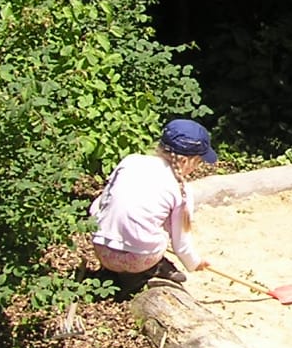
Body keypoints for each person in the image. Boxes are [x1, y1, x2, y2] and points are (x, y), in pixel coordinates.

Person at [90, 118, 217, 294]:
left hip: (101, 250)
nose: (197, 167)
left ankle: (115, 272)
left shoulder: (130, 161)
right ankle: (149, 271)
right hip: (139, 260)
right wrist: (195, 263)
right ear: (186, 161)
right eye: (199, 162)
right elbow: (181, 244)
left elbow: (97, 207)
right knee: (162, 230)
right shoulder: (181, 189)